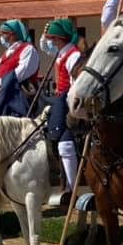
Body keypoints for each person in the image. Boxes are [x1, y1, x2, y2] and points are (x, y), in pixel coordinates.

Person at [41, 18, 83, 206]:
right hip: (58, 97)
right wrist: (44, 34)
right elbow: (45, 47)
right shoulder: (61, 52)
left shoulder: (73, 55)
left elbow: (76, 83)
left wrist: (69, 105)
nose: (50, 41)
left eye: (52, 38)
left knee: (64, 145)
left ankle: (72, 187)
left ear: (60, 38)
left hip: (67, 99)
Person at [0, 19, 40, 117]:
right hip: (1, 91)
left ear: (12, 34)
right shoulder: (8, 52)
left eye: (3, 34)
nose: (1, 37)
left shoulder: (28, 49)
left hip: (17, 96)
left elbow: (21, 73)